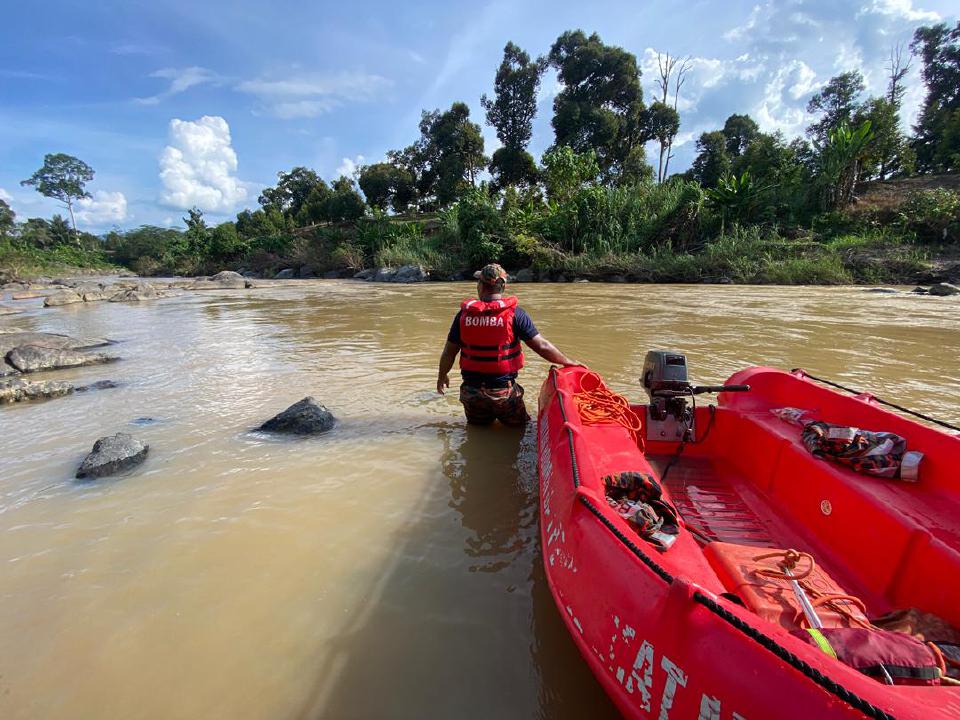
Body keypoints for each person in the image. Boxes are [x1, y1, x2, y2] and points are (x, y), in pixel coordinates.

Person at [436, 263, 579, 425]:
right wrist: (569, 362)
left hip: (472, 393)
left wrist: (442, 376)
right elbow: (542, 346)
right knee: (520, 431)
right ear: (503, 287)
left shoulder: (463, 316)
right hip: (503, 393)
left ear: (481, 286)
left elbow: (449, 352)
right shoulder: (515, 314)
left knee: (477, 431)